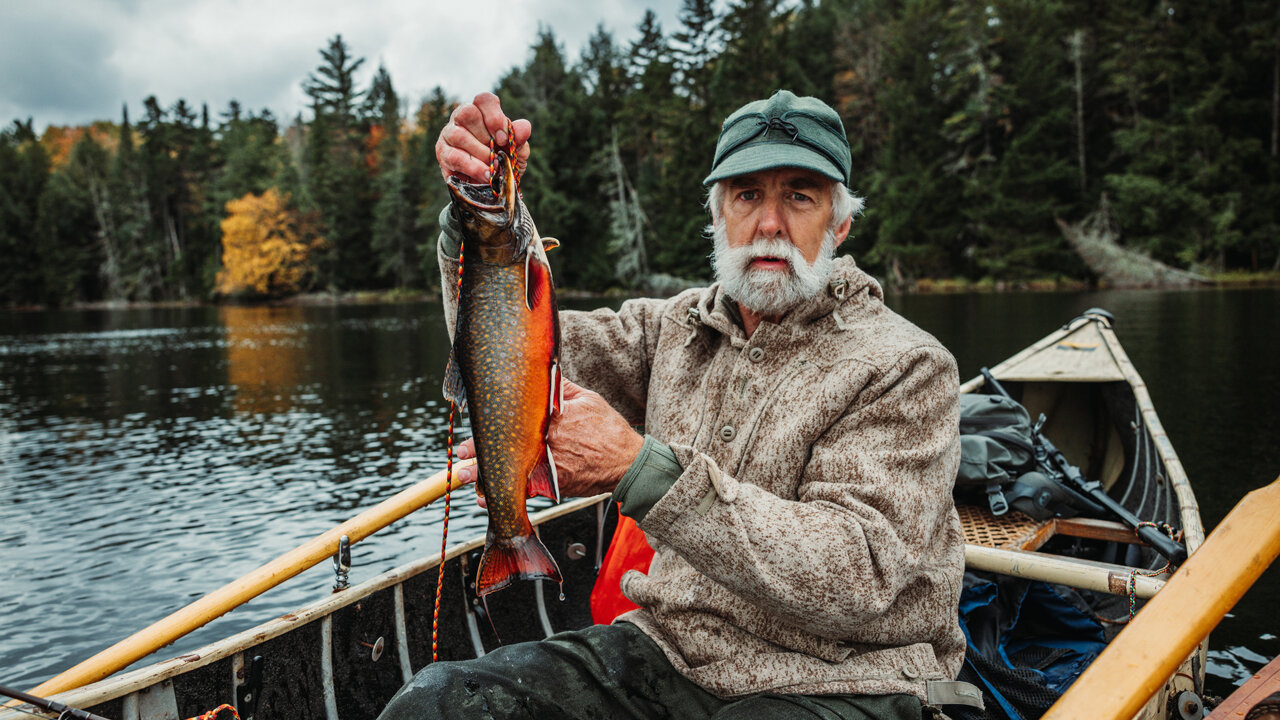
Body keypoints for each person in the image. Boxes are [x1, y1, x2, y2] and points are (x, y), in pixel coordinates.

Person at [379, 90, 977, 719]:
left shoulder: (908, 365)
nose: (769, 223)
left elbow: (863, 575)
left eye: (799, 195)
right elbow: (506, 354)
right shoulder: (675, 327)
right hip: (672, 651)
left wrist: (642, 471)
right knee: (441, 703)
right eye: (747, 195)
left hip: (850, 679)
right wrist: (474, 220)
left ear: (839, 222)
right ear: (718, 216)